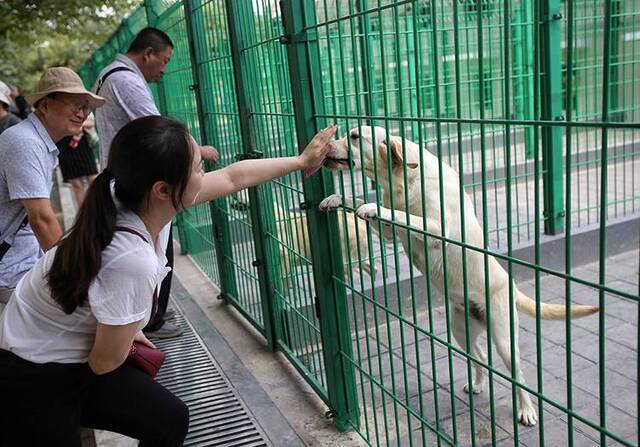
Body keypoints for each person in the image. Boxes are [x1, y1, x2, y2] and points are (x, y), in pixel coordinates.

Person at [0, 115, 337, 446]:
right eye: (196, 167)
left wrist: (300, 160)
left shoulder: (127, 194)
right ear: (162, 189)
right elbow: (104, 362)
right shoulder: (131, 258)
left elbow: (234, 177)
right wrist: (128, 329)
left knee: (169, 417)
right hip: (34, 374)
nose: (204, 173)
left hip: (52, 347)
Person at [94, 27, 217, 338]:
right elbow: (158, 131)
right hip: (144, 179)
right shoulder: (126, 79)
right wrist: (198, 152)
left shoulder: (108, 73)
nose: (163, 70)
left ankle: (147, 315)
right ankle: (151, 320)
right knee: (155, 248)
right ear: (148, 54)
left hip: (124, 172)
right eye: (164, 60)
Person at [0, 67, 104, 314]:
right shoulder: (26, 143)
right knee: (90, 313)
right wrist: (71, 276)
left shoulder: (38, 142)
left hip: (22, 260)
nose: (81, 114)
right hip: (10, 271)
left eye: (85, 107)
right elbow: (42, 219)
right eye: (74, 105)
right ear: (45, 106)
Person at [56, 114, 99, 207]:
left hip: (82, 144)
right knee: (77, 185)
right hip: (64, 145)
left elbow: (91, 122)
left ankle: (99, 208)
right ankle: (84, 214)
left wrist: (77, 126)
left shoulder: (78, 103)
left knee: (93, 179)